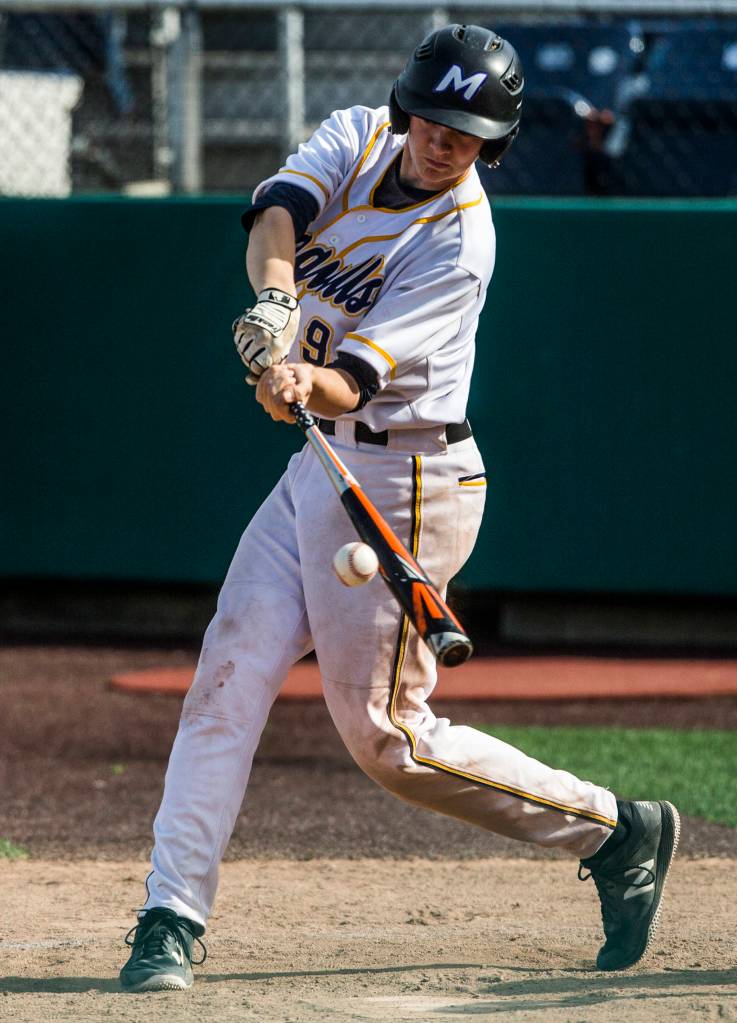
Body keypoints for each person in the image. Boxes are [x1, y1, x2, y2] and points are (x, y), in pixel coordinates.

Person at [119, 24, 679, 992]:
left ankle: (613, 830)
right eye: (432, 120)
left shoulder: (462, 242)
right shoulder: (356, 134)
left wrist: (298, 375)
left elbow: (350, 384)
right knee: (231, 663)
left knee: (389, 742)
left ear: (489, 145)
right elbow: (278, 215)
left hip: (407, 482)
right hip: (324, 468)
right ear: (405, 106)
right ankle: (169, 915)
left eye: (465, 132)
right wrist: (272, 305)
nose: (440, 142)